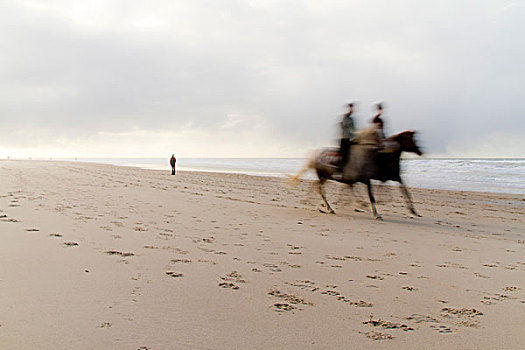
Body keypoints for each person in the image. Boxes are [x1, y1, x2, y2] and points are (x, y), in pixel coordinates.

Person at [339, 103, 356, 170]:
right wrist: (352, 135)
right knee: (344, 154)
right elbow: (346, 128)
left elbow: (354, 129)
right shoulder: (344, 118)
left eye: (352, 108)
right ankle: (340, 170)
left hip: (350, 139)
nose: (351, 110)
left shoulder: (351, 119)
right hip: (345, 138)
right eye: (350, 108)